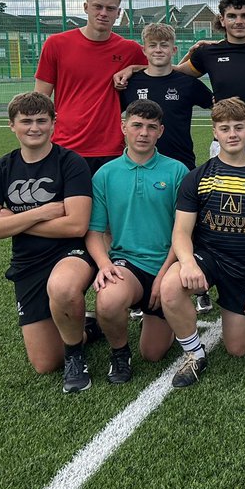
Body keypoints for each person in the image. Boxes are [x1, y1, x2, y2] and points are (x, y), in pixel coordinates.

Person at [159, 97, 245, 388]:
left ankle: (238, 302)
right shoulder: (198, 177)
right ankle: (194, 353)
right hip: (208, 259)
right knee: (170, 285)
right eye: (225, 128)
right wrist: (188, 263)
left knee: (238, 349)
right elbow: (181, 232)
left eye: (238, 127)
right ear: (214, 132)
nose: (232, 134)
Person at [0, 92, 97, 391]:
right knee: (44, 364)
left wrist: (10, 220)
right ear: (12, 126)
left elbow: (76, 225)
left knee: (63, 288)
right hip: (27, 262)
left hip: (72, 253)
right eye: (26, 121)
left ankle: (75, 354)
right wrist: (41, 212)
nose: (34, 128)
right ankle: (86, 328)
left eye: (42, 121)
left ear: (54, 124)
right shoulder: (0, 169)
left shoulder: (71, 163)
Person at [115, 0, 245, 176]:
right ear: (222, 20)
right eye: (232, 16)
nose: (239, 21)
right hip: (224, 141)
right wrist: (134, 68)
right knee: (224, 202)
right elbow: (171, 70)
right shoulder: (208, 53)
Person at [86, 100, 190, 382]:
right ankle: (119, 352)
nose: (143, 133)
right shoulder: (105, 174)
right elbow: (95, 232)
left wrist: (163, 275)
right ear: (124, 128)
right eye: (137, 125)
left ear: (161, 131)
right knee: (107, 300)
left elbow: (184, 232)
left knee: (153, 353)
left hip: (167, 265)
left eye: (151, 127)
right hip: (127, 263)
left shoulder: (177, 171)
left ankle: (158, 311)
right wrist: (104, 264)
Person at [35, 0, 147, 173]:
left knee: (108, 203)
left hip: (111, 147)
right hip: (65, 143)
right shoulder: (56, 44)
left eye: (110, 8)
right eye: (98, 6)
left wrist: (133, 67)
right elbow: (40, 99)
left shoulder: (130, 49)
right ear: (86, 7)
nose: (103, 13)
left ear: (118, 13)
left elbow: (160, 69)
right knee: (67, 203)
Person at [119, 22, 213, 169]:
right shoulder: (129, 83)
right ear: (144, 50)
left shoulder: (188, 83)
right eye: (152, 45)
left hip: (181, 164)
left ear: (174, 50)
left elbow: (218, 107)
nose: (158, 50)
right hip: (139, 164)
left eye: (164, 45)